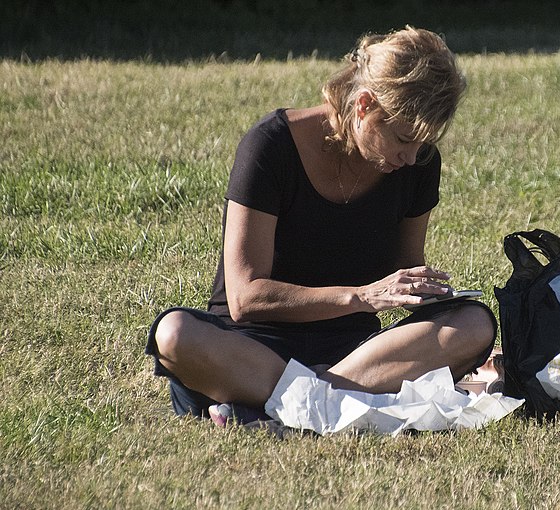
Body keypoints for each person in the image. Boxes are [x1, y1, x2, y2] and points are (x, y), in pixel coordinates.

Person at [145, 26, 497, 426]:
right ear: (364, 105)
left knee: (473, 323)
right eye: (402, 138)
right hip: (254, 348)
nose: (411, 157)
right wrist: (360, 296)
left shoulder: (417, 164)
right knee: (175, 335)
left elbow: (404, 269)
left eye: (423, 145)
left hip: (355, 353)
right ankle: (331, 403)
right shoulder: (270, 146)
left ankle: (279, 405)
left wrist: (426, 293)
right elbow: (245, 298)